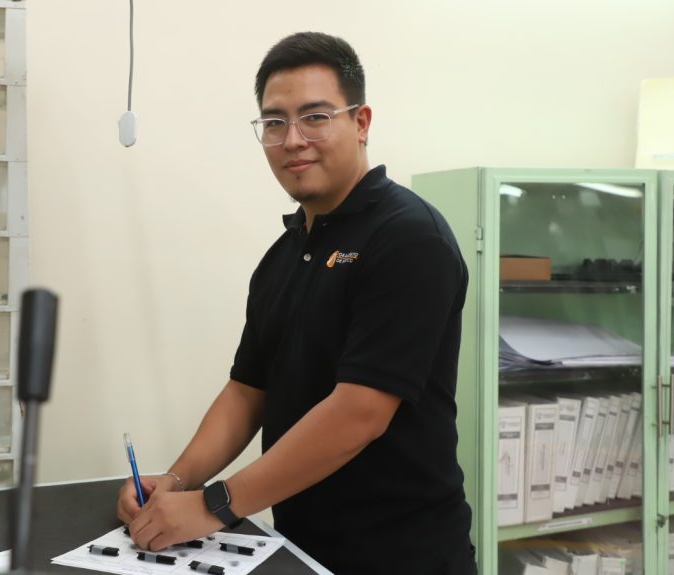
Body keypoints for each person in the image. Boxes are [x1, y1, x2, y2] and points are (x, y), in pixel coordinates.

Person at [117, 31, 475, 574]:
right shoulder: (284, 255)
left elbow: (359, 412)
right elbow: (246, 392)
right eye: (274, 122)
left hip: (403, 554)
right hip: (299, 548)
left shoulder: (410, 237)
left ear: (361, 122)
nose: (292, 140)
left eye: (315, 117)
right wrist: (177, 481)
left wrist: (214, 506)